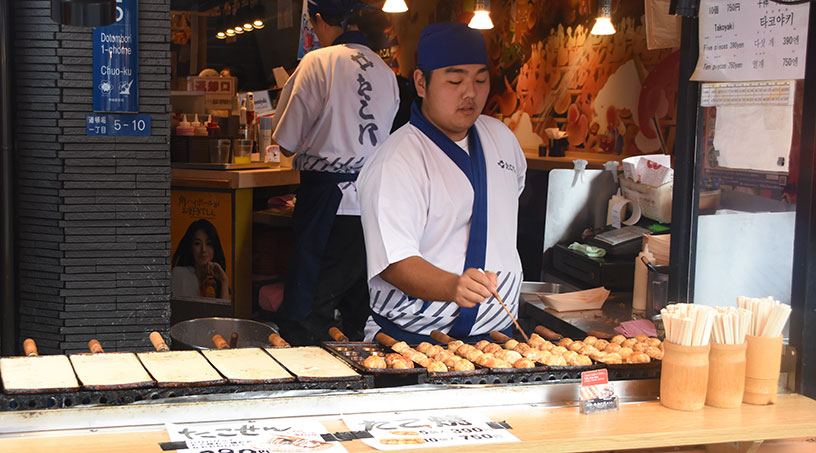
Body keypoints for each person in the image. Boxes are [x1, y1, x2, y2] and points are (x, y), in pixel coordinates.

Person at [358, 22, 528, 343]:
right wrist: (453, 286)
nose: (470, 93)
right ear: (421, 83)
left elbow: (504, 208)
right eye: (455, 81)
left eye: (480, 80)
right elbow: (394, 262)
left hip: (498, 340)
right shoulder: (396, 160)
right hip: (414, 342)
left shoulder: (502, 139)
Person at [270, 0, 399, 345]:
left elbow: (286, 143)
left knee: (309, 313)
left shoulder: (317, 62)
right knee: (359, 310)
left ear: (317, 20)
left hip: (327, 203)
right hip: (373, 205)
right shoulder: (386, 72)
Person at [171, 219, 230, 300]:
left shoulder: (218, 280)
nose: (204, 250)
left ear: (215, 248)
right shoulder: (179, 274)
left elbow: (224, 308)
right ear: (191, 248)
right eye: (197, 243)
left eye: (209, 243)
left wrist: (224, 281)